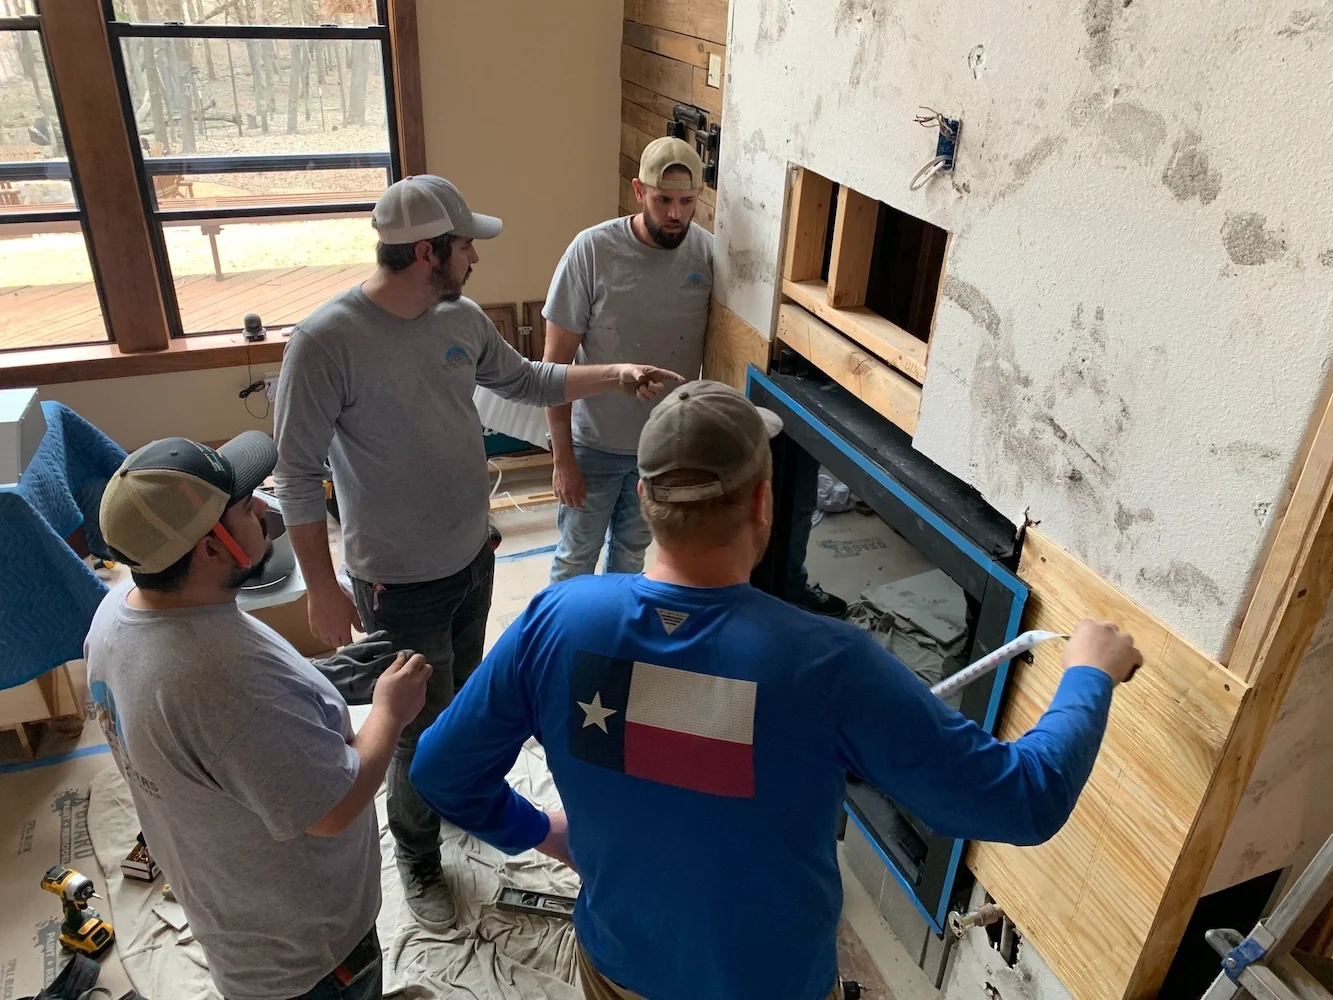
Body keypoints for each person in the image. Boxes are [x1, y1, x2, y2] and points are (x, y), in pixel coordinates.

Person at [408, 381, 1144, 1000]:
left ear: (642, 495)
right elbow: (1022, 800)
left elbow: (442, 773)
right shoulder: (826, 663)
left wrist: (542, 834)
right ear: (763, 503)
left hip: (619, 970)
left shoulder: (555, 618)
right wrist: (1089, 671)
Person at [274, 174, 680, 928]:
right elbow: (295, 474)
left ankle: (453, 799)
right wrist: (321, 587)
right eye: (466, 246)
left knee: (457, 709)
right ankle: (419, 858)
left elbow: (528, 380)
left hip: (471, 554)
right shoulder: (326, 342)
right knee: (413, 728)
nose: (476, 260)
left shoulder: (456, 317)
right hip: (399, 578)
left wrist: (614, 374)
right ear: (427, 252)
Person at [86, 432, 431, 1000]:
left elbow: (224, 726)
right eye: (248, 508)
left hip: (230, 900)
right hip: (306, 952)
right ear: (211, 548)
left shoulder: (119, 607)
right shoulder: (223, 683)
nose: (268, 511)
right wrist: (390, 713)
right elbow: (333, 808)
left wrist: (314, 681)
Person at [543, 136, 712, 583]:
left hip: (660, 451)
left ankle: (615, 645)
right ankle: (564, 649)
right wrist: (562, 459)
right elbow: (554, 367)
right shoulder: (592, 252)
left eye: (686, 201)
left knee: (631, 560)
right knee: (574, 561)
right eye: (662, 200)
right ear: (638, 192)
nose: (675, 214)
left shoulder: (708, 255)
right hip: (593, 447)